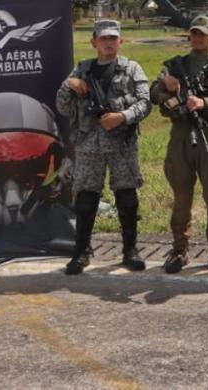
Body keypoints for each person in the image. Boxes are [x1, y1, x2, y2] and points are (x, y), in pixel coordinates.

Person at [55, 19, 151, 275]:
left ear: (121, 41)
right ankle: (81, 252)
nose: (108, 43)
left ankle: (130, 250)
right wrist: (69, 86)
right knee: (86, 199)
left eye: (113, 38)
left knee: (127, 199)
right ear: (93, 42)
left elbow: (145, 103)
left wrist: (122, 117)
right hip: (89, 144)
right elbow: (62, 107)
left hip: (122, 143)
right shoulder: (81, 70)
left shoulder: (132, 69)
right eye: (103, 38)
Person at [150, 15, 208, 274]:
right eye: (194, 33)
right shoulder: (174, 65)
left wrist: (205, 103)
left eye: (204, 33)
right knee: (181, 197)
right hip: (180, 135)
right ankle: (179, 250)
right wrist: (165, 86)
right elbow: (153, 94)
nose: (198, 38)